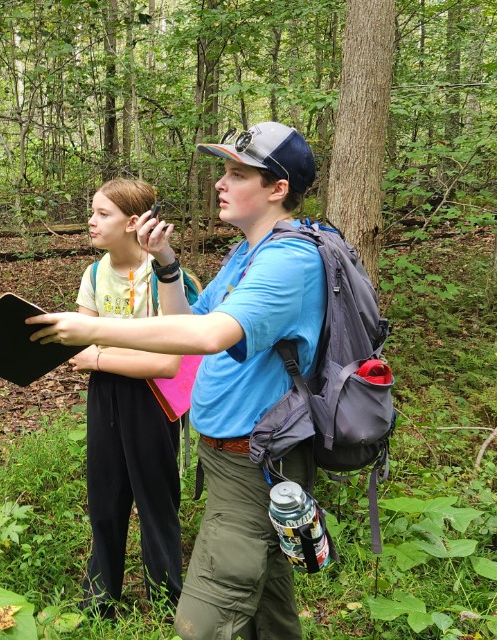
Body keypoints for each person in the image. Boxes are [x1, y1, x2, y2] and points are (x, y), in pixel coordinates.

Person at [28, 122, 324, 640]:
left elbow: (210, 336)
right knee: (269, 604)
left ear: (278, 189)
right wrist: (166, 263)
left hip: (256, 456)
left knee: (200, 624)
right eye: (223, 171)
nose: (220, 183)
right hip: (229, 453)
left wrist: (90, 332)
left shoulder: (290, 260)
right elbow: (186, 320)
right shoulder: (246, 254)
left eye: (237, 173)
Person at [70, 178, 184, 618]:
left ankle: (166, 597)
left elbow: (166, 363)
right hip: (105, 397)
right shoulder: (95, 272)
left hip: (152, 401)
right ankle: (100, 599)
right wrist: (117, 355)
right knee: (105, 495)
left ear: (133, 222)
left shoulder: (163, 276)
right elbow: (79, 348)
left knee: (156, 497)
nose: (91, 221)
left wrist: (100, 355)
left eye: (103, 214)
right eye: (92, 212)